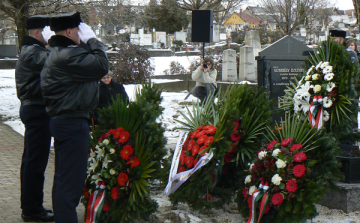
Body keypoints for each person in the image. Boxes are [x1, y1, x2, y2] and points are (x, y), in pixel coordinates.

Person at [40, 12, 109, 223]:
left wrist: (86, 43)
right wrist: (93, 40)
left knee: (64, 179)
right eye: (79, 30)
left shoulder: (63, 52)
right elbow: (101, 66)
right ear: (69, 31)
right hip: (71, 123)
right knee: (71, 182)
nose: (82, 34)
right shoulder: (68, 56)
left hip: (66, 121)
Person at [15, 15, 55, 222]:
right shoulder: (33, 52)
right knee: (35, 163)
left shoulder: (32, 50)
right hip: (36, 110)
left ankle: (32, 206)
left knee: (33, 161)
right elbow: (56, 60)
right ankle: (31, 210)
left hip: (37, 109)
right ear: (39, 33)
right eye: (48, 31)